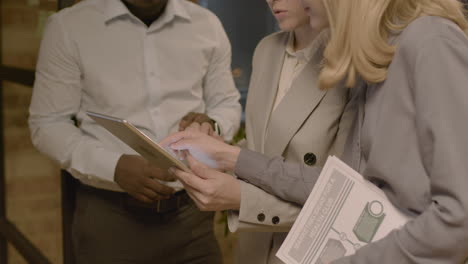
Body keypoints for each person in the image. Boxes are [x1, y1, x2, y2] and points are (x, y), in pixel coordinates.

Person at [162, 0, 468, 263]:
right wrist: (233, 157)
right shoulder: (382, 51)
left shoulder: (430, 40)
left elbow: (458, 220)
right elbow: (344, 186)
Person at [28, 0, 241, 263]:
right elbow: (48, 124)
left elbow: (226, 104)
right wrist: (113, 167)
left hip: (192, 220)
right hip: (111, 222)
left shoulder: (206, 25)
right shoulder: (69, 26)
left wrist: (213, 125)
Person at [175, 0, 353, 263]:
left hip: (313, 252)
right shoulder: (267, 50)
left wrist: (243, 199)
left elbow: (344, 197)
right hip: (254, 249)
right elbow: (263, 149)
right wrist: (216, 153)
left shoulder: (354, 60)